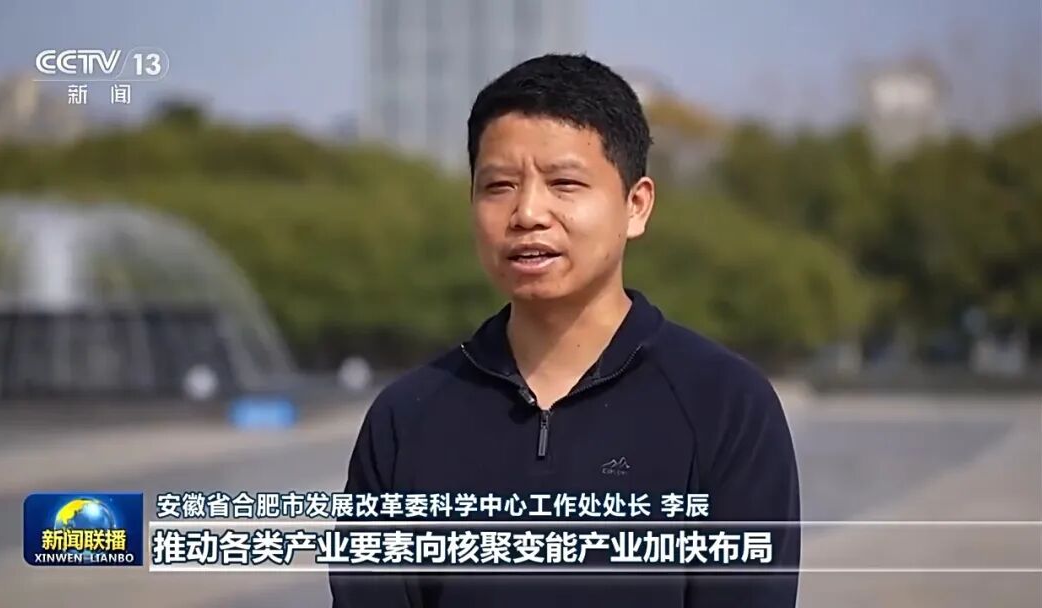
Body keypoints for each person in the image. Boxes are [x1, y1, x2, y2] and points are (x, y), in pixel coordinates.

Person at [331, 53, 800, 607]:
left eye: (565, 183)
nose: (528, 212)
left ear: (636, 205)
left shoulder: (726, 407)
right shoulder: (405, 420)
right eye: (499, 185)